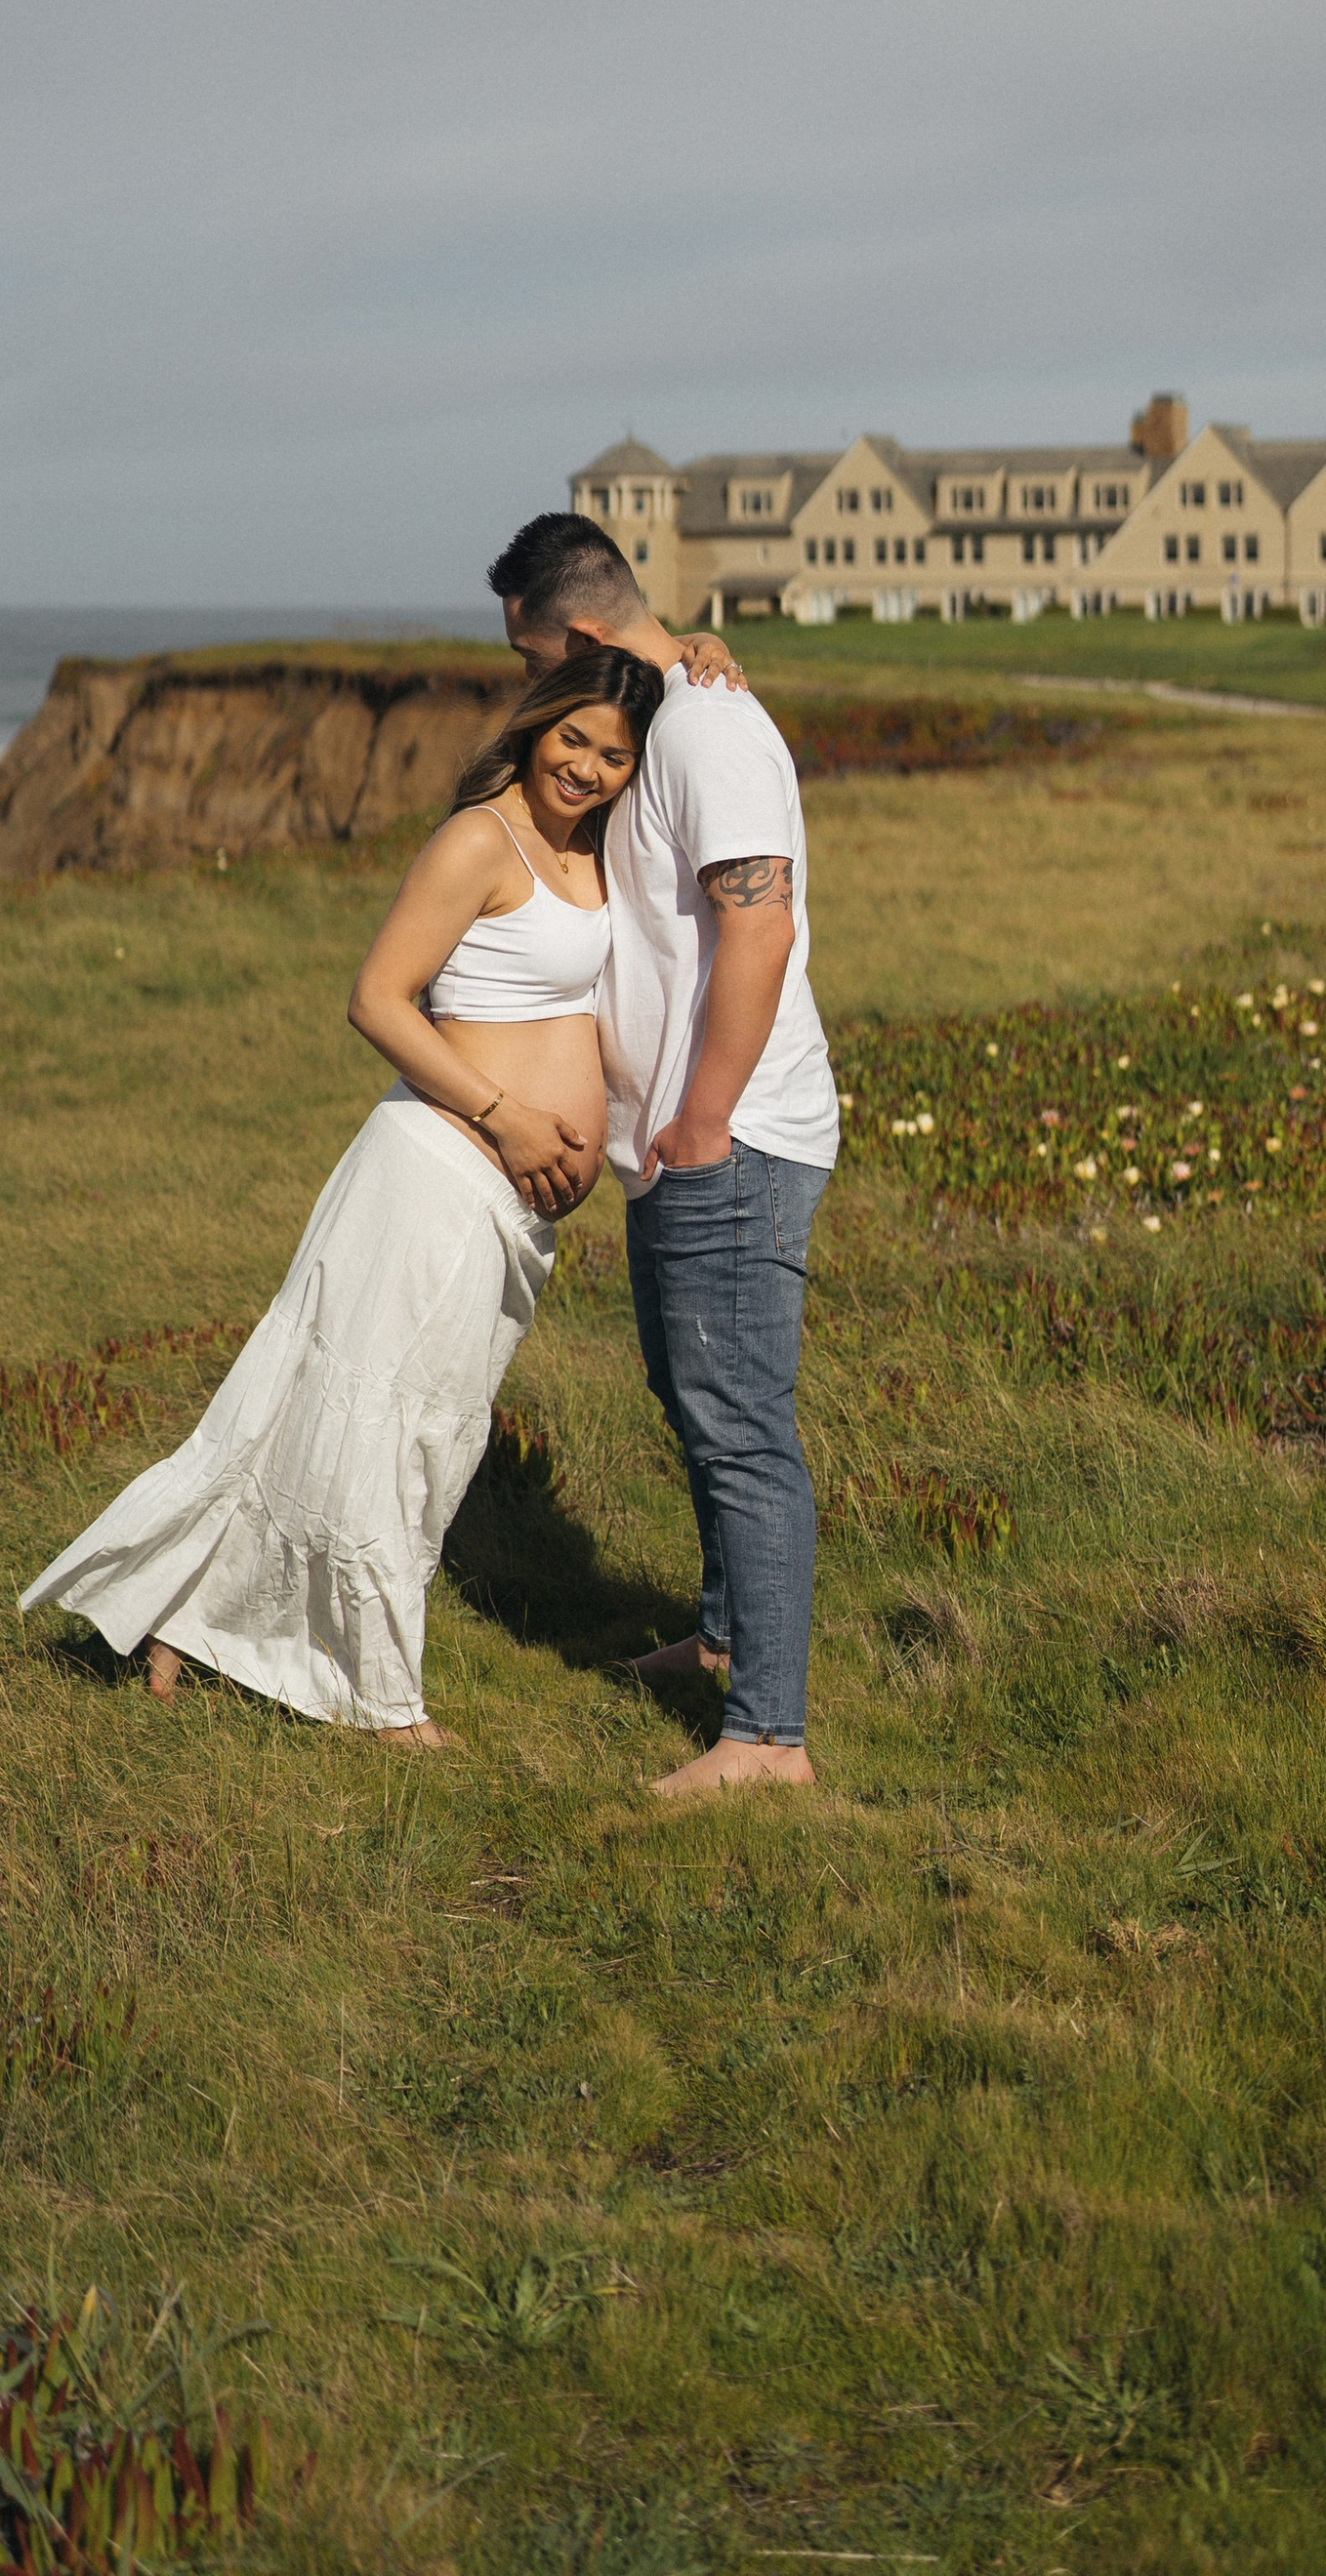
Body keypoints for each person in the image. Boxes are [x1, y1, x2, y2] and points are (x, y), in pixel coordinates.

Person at [16, 648, 667, 1747]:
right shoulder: (481, 837)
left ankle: (179, 1619)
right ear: (537, 723)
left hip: (498, 1211)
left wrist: (696, 656)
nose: (589, 770)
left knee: (363, 1425)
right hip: (437, 1171)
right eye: (574, 740)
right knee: (385, 1433)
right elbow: (377, 997)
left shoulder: (587, 848)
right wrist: (507, 1115)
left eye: (615, 756)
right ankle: (379, 1703)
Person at [489, 513, 838, 1803]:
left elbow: (762, 924)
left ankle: (768, 1739)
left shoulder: (706, 727)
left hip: (729, 1139)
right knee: (697, 1404)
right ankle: (725, 1639)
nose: (532, 689)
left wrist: (702, 1116)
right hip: (681, 1143)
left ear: (579, 635)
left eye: (535, 662)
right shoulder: (667, 707)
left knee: (742, 1430)